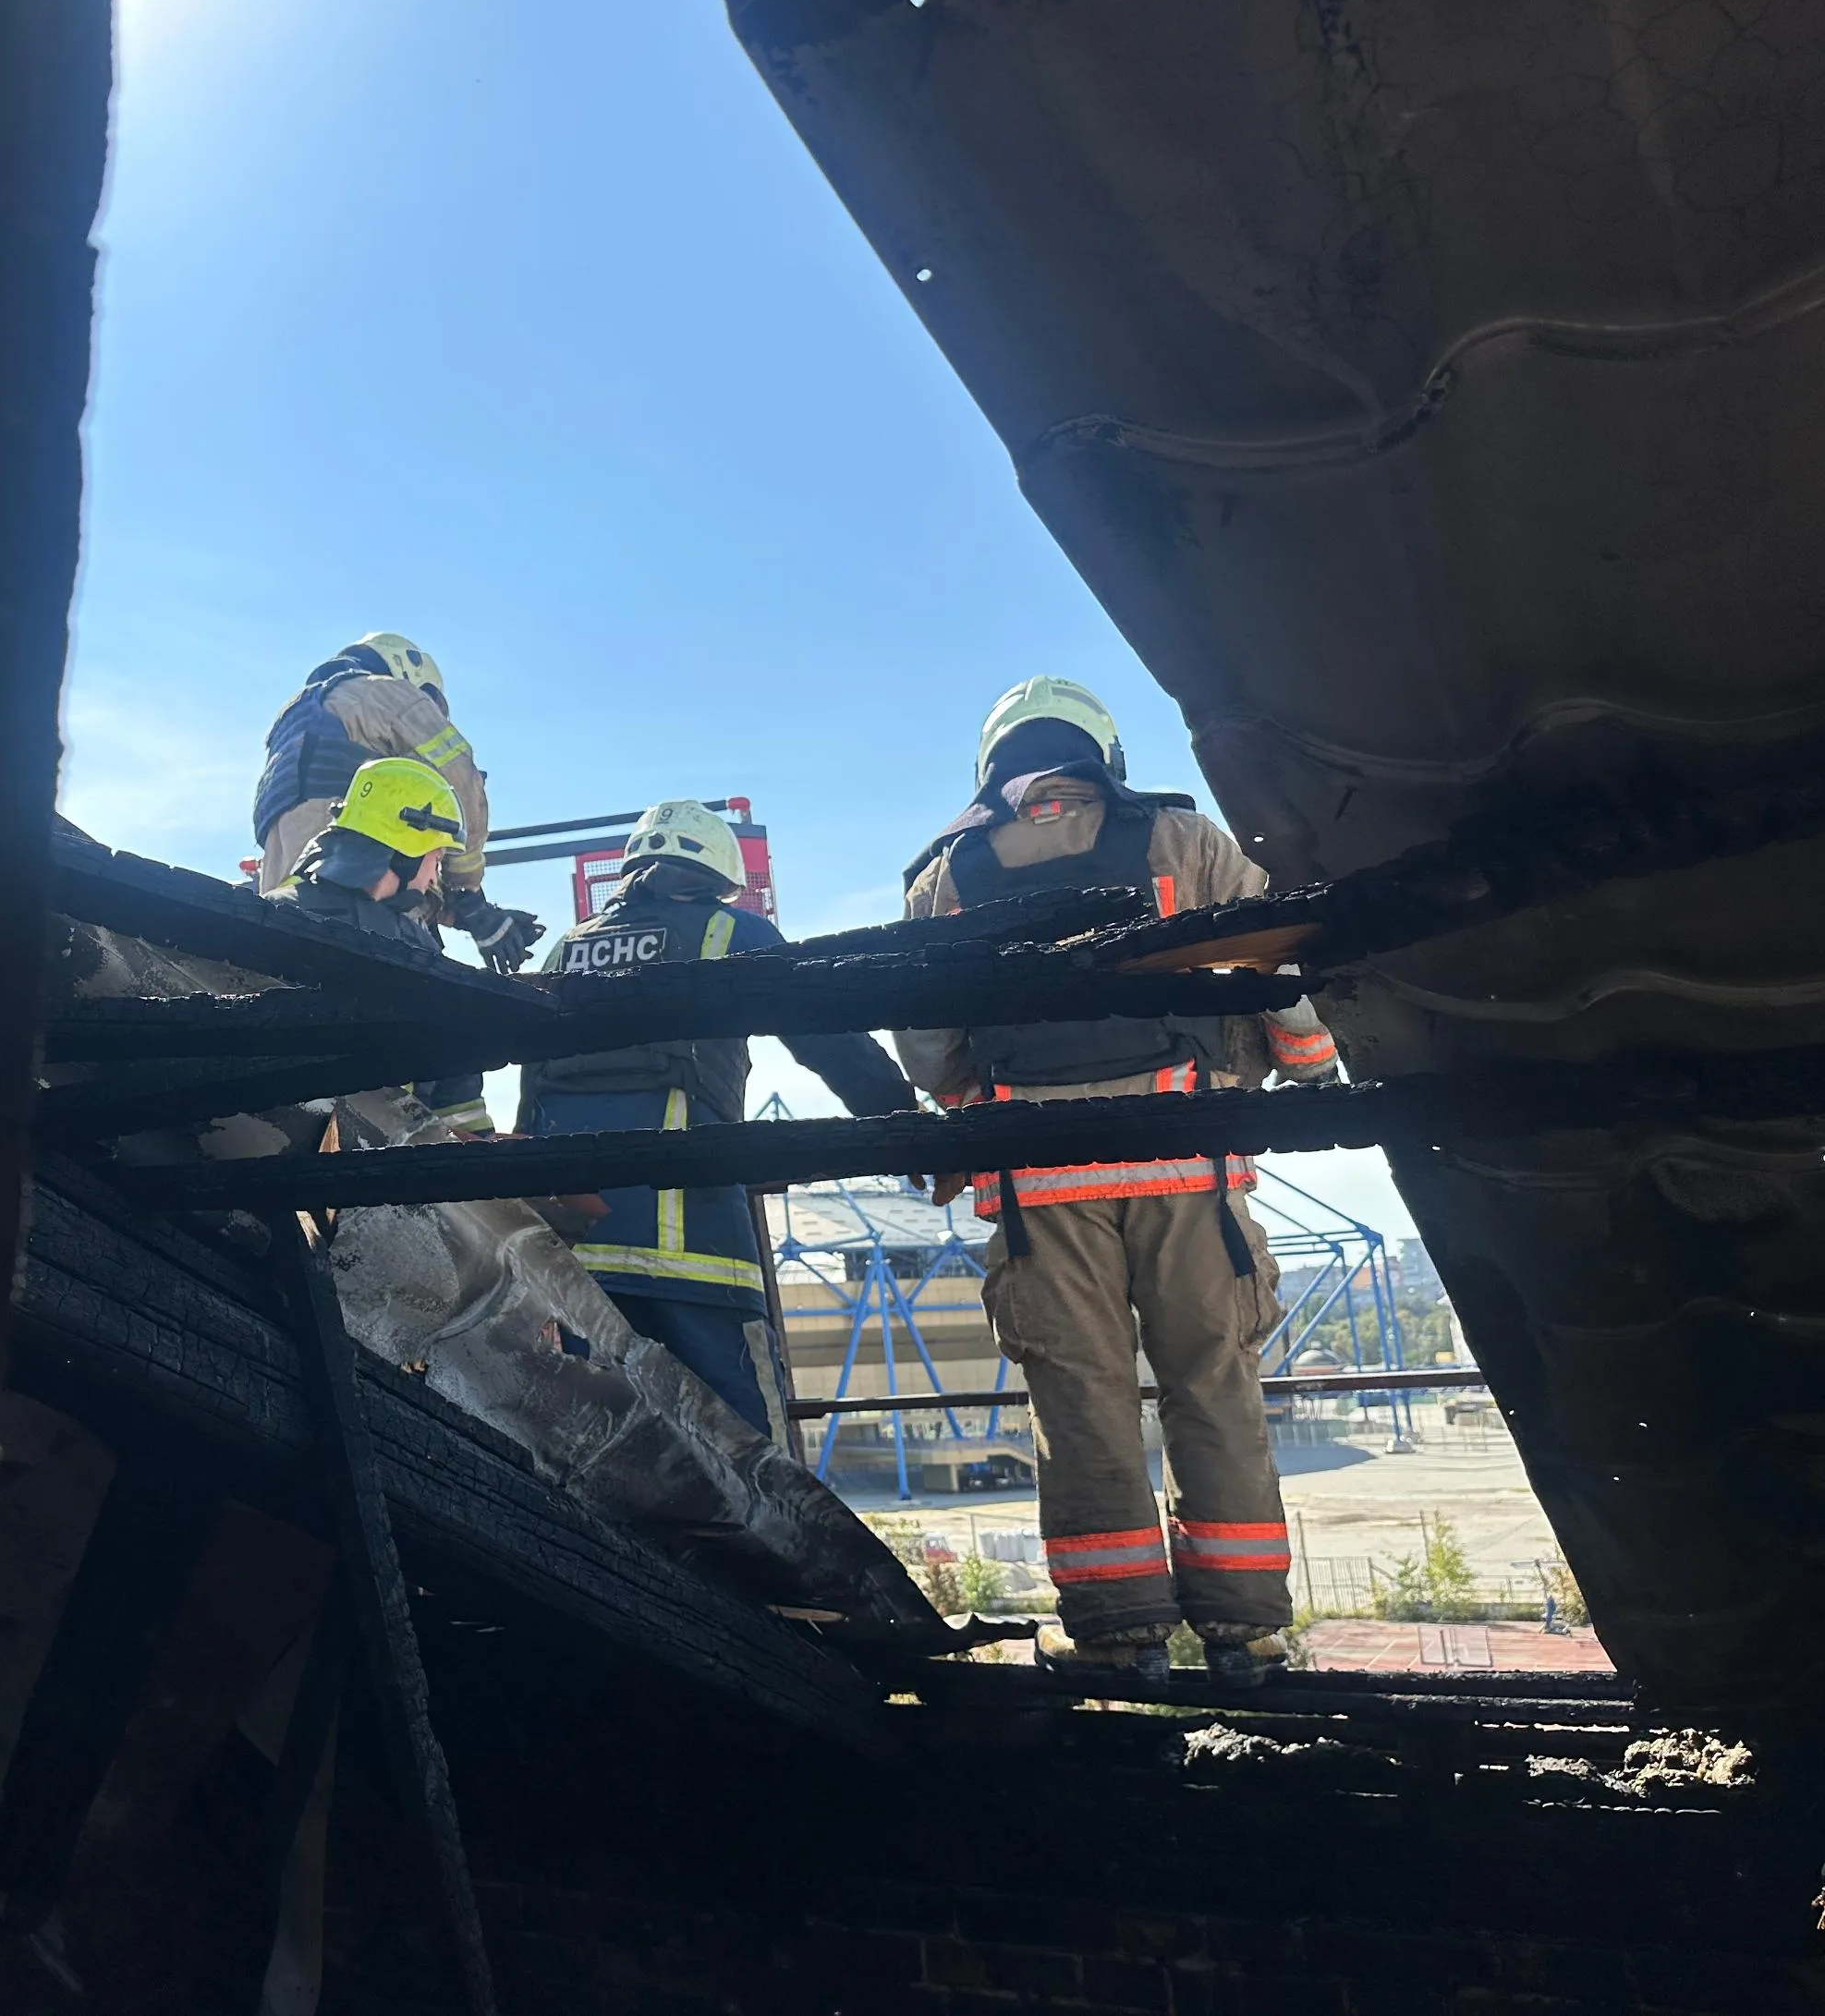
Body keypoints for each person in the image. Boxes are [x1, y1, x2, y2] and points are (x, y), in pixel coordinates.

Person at [892, 677, 1342, 1691]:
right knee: (1212, 1383)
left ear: (992, 765)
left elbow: (928, 1050)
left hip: (1040, 1188)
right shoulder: (1182, 841)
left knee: (1081, 1403)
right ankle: (1243, 1632)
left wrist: (981, 1104)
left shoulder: (946, 875)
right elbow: (1276, 967)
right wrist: (1309, 1068)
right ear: (1105, 753)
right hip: (1188, 1164)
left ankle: (1118, 1632)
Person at [517, 800, 919, 1437]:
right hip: (698, 1251)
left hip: (577, 1257)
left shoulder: (568, 948)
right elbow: (828, 1035)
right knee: (744, 1443)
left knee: (598, 1441)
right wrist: (904, 1122)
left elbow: (532, 1082)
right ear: (717, 873)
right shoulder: (735, 933)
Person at [252, 634, 541, 975]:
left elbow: (393, 876)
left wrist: (462, 915)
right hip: (356, 883)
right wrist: (468, 889)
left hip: (286, 869)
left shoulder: (295, 719)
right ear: (410, 671)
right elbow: (460, 776)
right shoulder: (385, 691)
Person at [268, 756, 495, 1134]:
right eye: (436, 857)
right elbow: (454, 1081)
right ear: (407, 849)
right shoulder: (418, 950)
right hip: (372, 1154)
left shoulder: (275, 912)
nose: (434, 876)